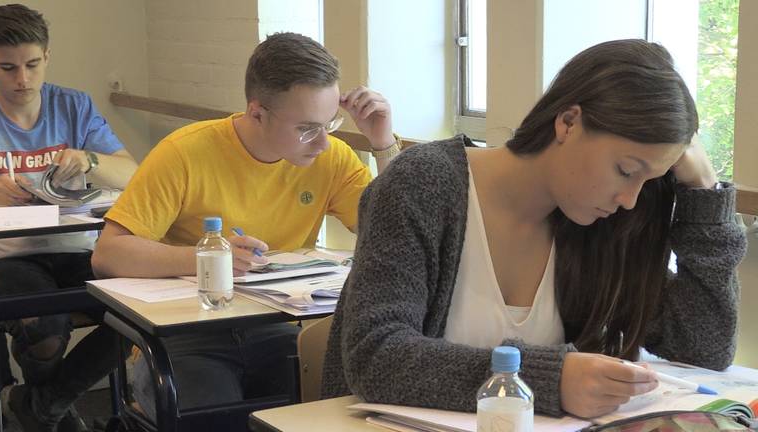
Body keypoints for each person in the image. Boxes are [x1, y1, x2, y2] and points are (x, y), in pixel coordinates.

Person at [321, 39, 748, 419]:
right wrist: (549, 380)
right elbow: (375, 356)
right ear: (568, 122)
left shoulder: (598, 225)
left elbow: (702, 347)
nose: (630, 199)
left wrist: (705, 193)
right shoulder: (424, 185)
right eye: (625, 170)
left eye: (647, 181)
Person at [90, 32, 400, 419]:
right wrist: (208, 256)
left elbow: (395, 232)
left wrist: (383, 142)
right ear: (257, 113)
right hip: (186, 337)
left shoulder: (331, 157)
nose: (322, 143)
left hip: (279, 327)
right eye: (306, 128)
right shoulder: (184, 152)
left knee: (334, 408)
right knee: (219, 414)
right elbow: (108, 254)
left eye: (329, 124)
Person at [0, 4, 138, 431]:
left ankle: (40, 407)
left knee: (140, 312)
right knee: (46, 327)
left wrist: (90, 159)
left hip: (77, 243)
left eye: (33, 65)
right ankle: (53, 409)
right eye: (8, 67)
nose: (22, 79)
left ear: (47, 57)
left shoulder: (73, 105)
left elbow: (132, 173)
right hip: (8, 253)